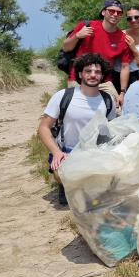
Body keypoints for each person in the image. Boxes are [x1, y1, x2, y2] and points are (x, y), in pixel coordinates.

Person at [38, 54, 116, 205]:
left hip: (95, 152)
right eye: (88, 71)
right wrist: (56, 153)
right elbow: (43, 128)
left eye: (97, 72)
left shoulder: (108, 100)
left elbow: (111, 131)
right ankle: (65, 185)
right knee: (65, 177)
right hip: (67, 152)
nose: (93, 75)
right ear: (80, 74)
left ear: (102, 76)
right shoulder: (63, 96)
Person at [62, 0, 133, 106]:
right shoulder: (87, 26)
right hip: (78, 79)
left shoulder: (123, 38)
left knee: (117, 111)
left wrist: (122, 92)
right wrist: (77, 36)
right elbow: (66, 48)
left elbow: (125, 67)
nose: (115, 14)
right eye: (111, 11)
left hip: (104, 83)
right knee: (75, 112)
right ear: (103, 12)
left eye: (119, 13)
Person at [111, 5, 139, 92]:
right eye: (129, 18)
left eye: (136, 17)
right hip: (118, 76)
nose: (133, 20)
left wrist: (133, 49)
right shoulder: (120, 35)